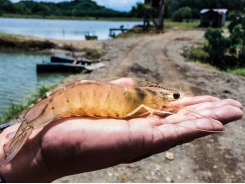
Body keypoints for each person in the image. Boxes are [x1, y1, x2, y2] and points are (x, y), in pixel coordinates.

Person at [0, 78, 243, 182]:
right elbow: (147, 106)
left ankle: (17, 137)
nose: (172, 100)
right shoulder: (147, 101)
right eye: (173, 97)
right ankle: (22, 133)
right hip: (73, 99)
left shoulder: (152, 97)